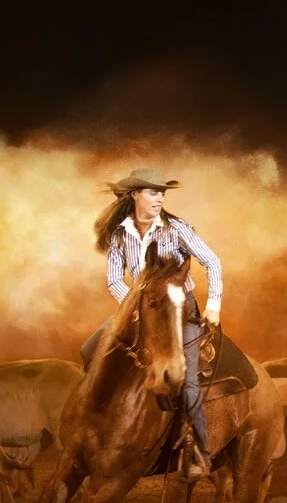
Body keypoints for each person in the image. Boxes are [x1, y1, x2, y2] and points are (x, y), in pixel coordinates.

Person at [80, 172, 224, 479]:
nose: (159, 198)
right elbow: (114, 280)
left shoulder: (177, 228)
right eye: (152, 192)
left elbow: (211, 261)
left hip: (177, 311)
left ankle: (198, 449)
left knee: (188, 381)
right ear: (134, 195)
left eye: (162, 193)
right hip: (141, 310)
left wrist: (213, 303)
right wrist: (134, 309)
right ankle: (96, 425)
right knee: (90, 349)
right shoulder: (120, 234)